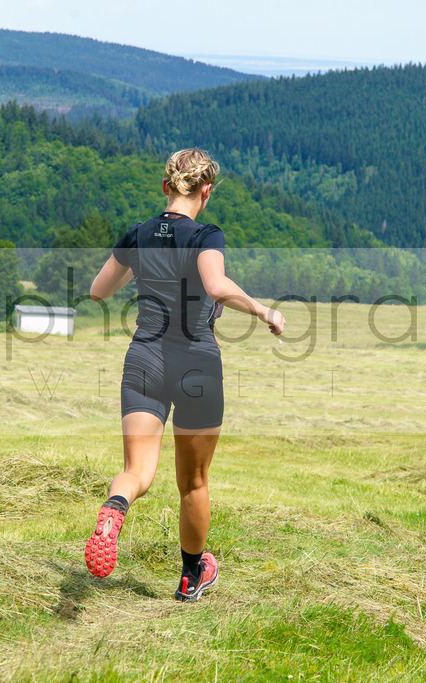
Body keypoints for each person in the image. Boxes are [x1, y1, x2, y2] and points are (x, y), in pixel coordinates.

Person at [85, 149, 285, 602]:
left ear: (165, 187)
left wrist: (135, 270)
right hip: (195, 360)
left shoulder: (137, 234)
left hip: (144, 358)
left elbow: (98, 291)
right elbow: (215, 286)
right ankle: (191, 576)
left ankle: (114, 511)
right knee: (192, 481)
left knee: (137, 470)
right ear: (206, 191)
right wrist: (262, 309)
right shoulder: (204, 235)